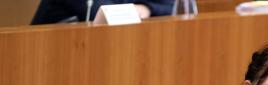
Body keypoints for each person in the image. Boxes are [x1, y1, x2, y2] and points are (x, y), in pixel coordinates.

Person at [31, 0, 173, 25]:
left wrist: (146, 8)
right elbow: (102, 13)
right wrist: (137, 9)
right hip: (49, 54)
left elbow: (170, 6)